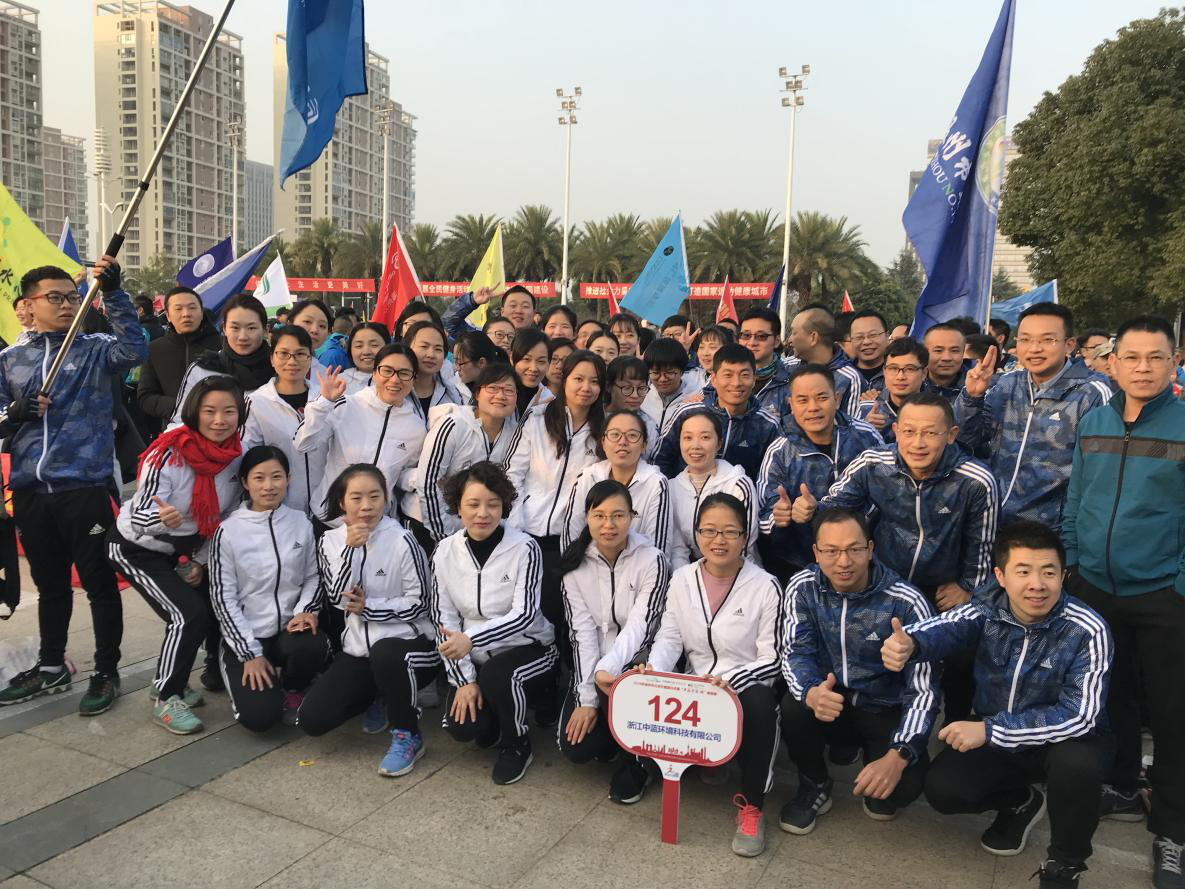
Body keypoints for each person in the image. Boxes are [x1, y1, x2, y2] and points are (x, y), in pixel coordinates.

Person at [884, 520, 1112, 889]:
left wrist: (991, 730)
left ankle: (1065, 864)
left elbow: (1080, 716)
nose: (1037, 584)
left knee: (1078, 765)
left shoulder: (1087, 628)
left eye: (1048, 572)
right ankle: (1021, 801)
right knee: (943, 790)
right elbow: (948, 626)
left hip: (1059, 740)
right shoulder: (987, 607)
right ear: (1000, 577)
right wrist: (910, 642)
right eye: (1023, 571)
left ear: (1063, 576)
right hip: (997, 732)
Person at [1062, 315, 1185, 885]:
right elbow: (1077, 497)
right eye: (1131, 357)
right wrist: (1073, 559)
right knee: (1112, 698)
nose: (1142, 368)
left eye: (1155, 357)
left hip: (1163, 595)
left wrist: (1179, 585)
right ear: (1112, 363)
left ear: (1174, 361)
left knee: (1172, 715)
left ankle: (1172, 831)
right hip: (1095, 587)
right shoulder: (1096, 421)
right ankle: (1123, 783)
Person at [0, 259, 147, 715]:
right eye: (55, 298)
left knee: (100, 584)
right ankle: (51, 666)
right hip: (30, 492)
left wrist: (115, 293)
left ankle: (106, 670)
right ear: (28, 306)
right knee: (50, 585)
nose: (66, 305)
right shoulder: (9, 360)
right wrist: (14, 414)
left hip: (85, 488)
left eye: (72, 297)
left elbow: (135, 350)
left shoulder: (96, 350)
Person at [795, 392, 998, 722]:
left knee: (959, 657)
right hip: (883, 582)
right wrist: (811, 510)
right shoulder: (873, 463)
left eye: (930, 433)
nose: (918, 443)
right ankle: (875, 723)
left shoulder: (975, 481)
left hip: (941, 588)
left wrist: (966, 587)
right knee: (878, 655)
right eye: (909, 431)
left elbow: (982, 545)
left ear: (951, 435)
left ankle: (953, 725)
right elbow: (834, 510)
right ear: (896, 430)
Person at [779, 509, 937, 834]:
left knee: (901, 789)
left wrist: (899, 754)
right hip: (832, 700)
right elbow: (795, 651)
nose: (843, 561)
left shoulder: (906, 601)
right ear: (816, 552)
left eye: (854, 549)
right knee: (794, 706)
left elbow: (925, 689)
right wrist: (810, 692)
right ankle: (814, 783)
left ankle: (875, 760)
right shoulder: (803, 587)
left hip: (883, 706)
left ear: (870, 549)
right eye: (831, 551)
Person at [645, 493, 783, 857]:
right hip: (697, 689)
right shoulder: (682, 579)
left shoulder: (764, 585)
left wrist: (732, 681)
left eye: (729, 531)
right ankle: (706, 760)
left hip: (743, 688)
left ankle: (752, 806)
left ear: (745, 536)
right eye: (709, 530)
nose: (718, 540)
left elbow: (772, 658)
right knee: (645, 688)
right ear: (697, 534)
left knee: (760, 702)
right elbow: (670, 637)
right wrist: (654, 672)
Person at [106, 377, 245, 733]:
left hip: (184, 550)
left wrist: (199, 560)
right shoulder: (168, 452)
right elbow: (139, 514)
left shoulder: (234, 457)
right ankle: (167, 697)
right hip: (137, 547)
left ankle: (171, 681)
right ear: (194, 411)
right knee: (186, 614)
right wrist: (161, 518)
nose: (219, 420)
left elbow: (225, 519)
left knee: (201, 611)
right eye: (209, 411)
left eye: (229, 411)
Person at [299, 464, 442, 778]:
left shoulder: (403, 539)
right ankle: (380, 694)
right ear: (342, 502)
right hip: (359, 651)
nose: (366, 506)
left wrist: (371, 608)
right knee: (312, 720)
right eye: (357, 498)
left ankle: (408, 734)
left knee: (386, 653)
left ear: (386, 499)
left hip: (409, 646)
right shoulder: (330, 541)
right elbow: (338, 599)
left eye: (375, 496)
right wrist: (351, 550)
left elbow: (422, 602)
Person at [433, 461, 558, 784]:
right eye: (473, 504)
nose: (483, 513)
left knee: (499, 677)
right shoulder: (445, 551)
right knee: (465, 729)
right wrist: (464, 680)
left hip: (529, 647)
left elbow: (525, 615)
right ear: (458, 506)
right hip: (473, 657)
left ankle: (517, 743)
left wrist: (471, 640)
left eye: (493, 504)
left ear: (504, 506)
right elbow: (444, 619)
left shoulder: (525, 547)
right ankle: (493, 713)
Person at [558, 479, 670, 802]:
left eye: (618, 515)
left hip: (638, 660)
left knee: (623, 688)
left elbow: (641, 626)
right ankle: (611, 734)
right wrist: (587, 698)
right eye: (600, 515)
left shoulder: (652, 560)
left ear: (632, 517)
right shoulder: (574, 565)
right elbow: (581, 634)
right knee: (575, 747)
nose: (609, 524)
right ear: (587, 518)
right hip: (597, 665)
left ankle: (637, 764)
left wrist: (608, 670)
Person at [955, 303, 1112, 528]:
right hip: (995, 523)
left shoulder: (1091, 393)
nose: (1034, 348)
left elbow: (1100, 475)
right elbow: (966, 441)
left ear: (1069, 345)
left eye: (1047, 340)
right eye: (1025, 340)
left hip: (1051, 532)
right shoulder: (1007, 384)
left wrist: (1072, 535)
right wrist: (972, 397)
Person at [208, 446, 327, 731]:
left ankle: (292, 686)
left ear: (288, 479)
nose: (269, 486)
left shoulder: (300, 522)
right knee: (260, 718)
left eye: (276, 477)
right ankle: (247, 672)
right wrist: (249, 654)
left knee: (312, 643)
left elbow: (313, 575)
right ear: (245, 482)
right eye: (259, 478)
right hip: (250, 635)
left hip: (288, 631)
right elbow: (223, 599)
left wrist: (305, 611)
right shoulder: (228, 531)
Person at [504, 351, 605, 670]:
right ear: (564, 379)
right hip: (530, 532)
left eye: (594, 381)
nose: (586, 388)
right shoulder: (537, 419)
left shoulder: (604, 430)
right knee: (534, 611)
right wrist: (516, 525)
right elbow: (513, 473)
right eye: (578, 379)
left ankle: (568, 679)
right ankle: (540, 677)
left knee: (569, 614)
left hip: (575, 537)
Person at [757, 364, 882, 585]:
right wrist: (782, 516)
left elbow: (886, 495)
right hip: (798, 565)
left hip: (861, 560)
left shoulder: (866, 437)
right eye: (803, 400)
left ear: (836, 398)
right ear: (791, 405)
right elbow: (764, 518)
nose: (813, 408)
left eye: (822, 398)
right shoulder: (780, 450)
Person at [294, 344, 426, 522]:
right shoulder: (346, 405)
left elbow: (402, 474)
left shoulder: (416, 429)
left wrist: (422, 476)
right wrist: (324, 403)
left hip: (376, 524)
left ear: (413, 378)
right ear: (374, 373)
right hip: (331, 520)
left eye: (404, 373)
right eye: (387, 371)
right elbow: (303, 444)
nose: (395, 380)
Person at [403, 363, 518, 552]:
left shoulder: (514, 434)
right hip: (427, 525)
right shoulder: (453, 425)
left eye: (509, 390)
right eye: (493, 388)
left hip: (476, 530)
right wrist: (444, 537)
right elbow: (428, 482)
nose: (500, 395)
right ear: (478, 393)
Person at [655, 343, 781, 480]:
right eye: (728, 375)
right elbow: (661, 459)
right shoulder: (688, 412)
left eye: (744, 375)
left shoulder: (767, 425)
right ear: (714, 379)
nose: (736, 383)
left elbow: (770, 475)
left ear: (754, 379)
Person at [561, 409, 670, 551]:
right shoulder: (588, 477)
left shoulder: (656, 483)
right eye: (615, 434)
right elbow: (571, 534)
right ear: (603, 443)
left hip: (639, 564)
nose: (622, 442)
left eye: (632, 435)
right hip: (589, 562)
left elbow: (658, 549)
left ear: (644, 445)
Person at [242, 325, 320, 516]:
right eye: (283, 354)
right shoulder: (257, 402)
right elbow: (248, 454)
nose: (292, 361)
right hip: (280, 508)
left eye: (300, 354)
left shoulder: (325, 399)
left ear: (310, 359)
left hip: (326, 508)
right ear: (272, 358)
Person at [667, 408, 759, 568]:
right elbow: (677, 550)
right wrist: (686, 579)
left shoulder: (738, 485)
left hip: (738, 571)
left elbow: (743, 548)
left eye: (705, 437)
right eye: (688, 438)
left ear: (719, 444)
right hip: (692, 573)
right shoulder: (672, 488)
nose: (695, 446)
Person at [169, 293, 273, 425]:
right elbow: (180, 422)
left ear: (265, 330)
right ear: (224, 329)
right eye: (235, 328)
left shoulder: (280, 369)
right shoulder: (202, 369)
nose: (243, 337)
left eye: (251, 328)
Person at [137, 286, 221, 424]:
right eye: (178, 309)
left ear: (201, 312)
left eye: (192, 308)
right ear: (168, 316)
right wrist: (181, 407)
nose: (186, 314)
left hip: (219, 425)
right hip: (175, 429)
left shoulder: (222, 345)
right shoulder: (155, 349)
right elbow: (145, 397)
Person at [783, 304, 863, 416]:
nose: (790, 340)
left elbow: (850, 424)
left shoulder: (850, 378)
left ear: (813, 337)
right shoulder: (786, 367)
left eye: (794, 333)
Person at [856, 337, 928, 444]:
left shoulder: (937, 409)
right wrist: (865, 429)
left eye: (909, 369)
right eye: (893, 368)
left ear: (924, 373)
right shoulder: (867, 408)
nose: (900, 377)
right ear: (884, 371)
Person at [735, 307, 792, 420]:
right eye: (746, 335)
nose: (752, 343)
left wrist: (778, 423)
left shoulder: (791, 383)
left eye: (761, 336)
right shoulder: (722, 379)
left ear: (776, 341)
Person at [404, 321, 462, 426]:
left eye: (438, 349)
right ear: (407, 348)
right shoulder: (394, 390)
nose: (431, 355)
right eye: (424, 346)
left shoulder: (452, 394)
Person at [641, 337, 700, 435]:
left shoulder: (695, 399)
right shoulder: (642, 398)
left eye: (669, 372)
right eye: (656, 373)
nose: (662, 379)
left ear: (682, 371)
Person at [443, 285, 536, 342]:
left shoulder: (540, 344)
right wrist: (472, 301)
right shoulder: (485, 340)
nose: (518, 311)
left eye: (525, 306)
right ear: (502, 312)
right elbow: (449, 323)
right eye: (513, 305)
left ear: (533, 313)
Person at [606, 356, 658, 452]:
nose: (635, 395)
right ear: (608, 386)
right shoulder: (595, 418)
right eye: (627, 388)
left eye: (641, 388)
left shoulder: (649, 425)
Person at [451, 330, 508, 403]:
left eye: (460, 362)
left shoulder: (505, 391)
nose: (457, 368)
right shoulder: (453, 387)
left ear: (481, 362)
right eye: (455, 361)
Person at [510, 327, 554, 418]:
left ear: (549, 363)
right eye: (526, 359)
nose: (533, 368)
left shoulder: (550, 402)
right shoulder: (496, 395)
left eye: (541, 361)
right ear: (511, 358)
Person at [289, 299, 334, 379]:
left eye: (322, 326)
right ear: (290, 323)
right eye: (307, 321)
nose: (314, 330)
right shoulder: (271, 366)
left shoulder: (324, 374)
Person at [921, 323, 967, 402]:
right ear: (924, 352)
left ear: (963, 353)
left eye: (954, 351)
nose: (947, 358)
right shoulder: (912, 385)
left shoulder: (980, 388)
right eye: (938, 351)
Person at [341, 321, 390, 395]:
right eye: (359, 346)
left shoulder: (399, 381)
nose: (366, 352)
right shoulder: (338, 382)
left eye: (374, 345)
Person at [848, 309, 890, 393]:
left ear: (887, 335)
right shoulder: (842, 375)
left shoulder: (899, 374)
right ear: (850, 340)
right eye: (859, 337)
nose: (866, 342)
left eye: (873, 335)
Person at [687, 324, 735, 390]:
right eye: (701, 347)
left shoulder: (734, 381)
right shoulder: (692, 374)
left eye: (712, 347)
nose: (705, 353)